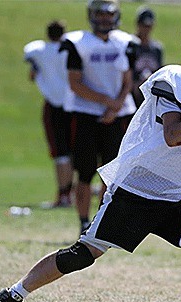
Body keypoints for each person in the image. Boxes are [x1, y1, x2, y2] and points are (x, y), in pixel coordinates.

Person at [0, 18, 181, 302]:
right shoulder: (175, 76)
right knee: (83, 254)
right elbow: (173, 134)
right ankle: (10, 295)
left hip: (175, 197)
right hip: (135, 191)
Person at [59, 0, 137, 233]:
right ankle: (84, 220)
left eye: (108, 14)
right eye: (99, 14)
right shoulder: (77, 43)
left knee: (112, 172)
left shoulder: (125, 42)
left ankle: (103, 221)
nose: (104, 19)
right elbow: (75, 83)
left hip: (117, 115)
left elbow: (128, 80)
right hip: (87, 114)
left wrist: (115, 106)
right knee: (84, 171)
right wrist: (106, 102)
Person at [23, 20, 74, 208]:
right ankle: (70, 193)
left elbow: (32, 70)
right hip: (72, 104)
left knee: (60, 153)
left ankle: (63, 194)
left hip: (53, 106)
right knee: (71, 152)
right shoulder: (70, 49)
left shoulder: (39, 51)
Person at [131, 6, 164, 108]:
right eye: (144, 25)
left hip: (150, 93)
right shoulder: (130, 46)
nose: (146, 29)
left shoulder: (156, 48)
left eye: (148, 26)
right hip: (132, 95)